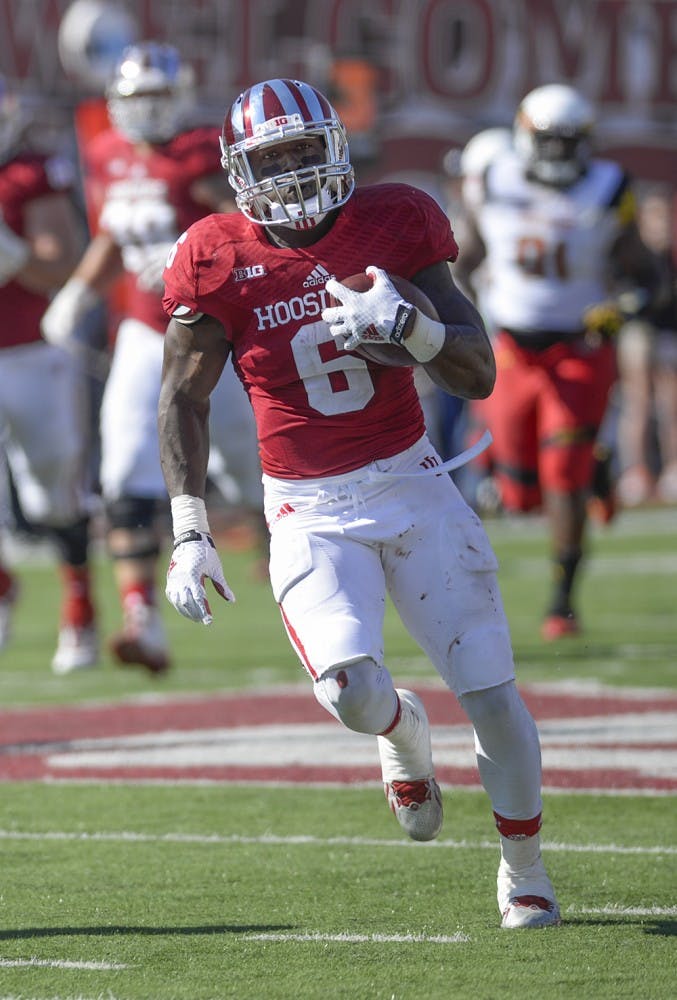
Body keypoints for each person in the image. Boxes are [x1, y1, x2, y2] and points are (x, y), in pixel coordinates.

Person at [157, 77, 561, 930]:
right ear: (239, 171)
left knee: (492, 694)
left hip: (411, 480)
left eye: (307, 149)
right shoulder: (215, 253)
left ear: (337, 146)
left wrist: (411, 329)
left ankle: (523, 869)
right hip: (306, 505)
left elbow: (477, 371)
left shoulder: (397, 219)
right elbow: (182, 396)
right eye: (276, 158)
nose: (297, 171)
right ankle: (404, 734)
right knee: (348, 692)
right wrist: (189, 528)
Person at [40, 41, 262, 675]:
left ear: (183, 96)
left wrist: (182, 259)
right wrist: (80, 292)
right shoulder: (106, 154)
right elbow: (113, 231)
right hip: (142, 335)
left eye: (161, 98)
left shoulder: (199, 153)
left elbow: (248, 230)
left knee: (256, 471)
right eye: (138, 99)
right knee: (125, 470)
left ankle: (297, 572)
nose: (149, 111)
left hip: (212, 335)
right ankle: (143, 619)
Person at [453, 83, 658, 641]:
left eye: (571, 143)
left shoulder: (609, 188)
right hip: (513, 351)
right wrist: (464, 314)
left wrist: (626, 306)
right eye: (550, 141)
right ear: (524, 136)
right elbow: (465, 258)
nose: (561, 154)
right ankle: (599, 465)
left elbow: (645, 271)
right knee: (520, 494)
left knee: (560, 477)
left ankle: (562, 602)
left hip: (579, 349)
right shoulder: (493, 178)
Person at [0, 74, 98, 672]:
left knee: (53, 493)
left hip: (33, 350)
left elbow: (59, 264)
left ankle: (80, 606)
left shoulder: (28, 173)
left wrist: (10, 254)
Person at [615, 188, 677, 506]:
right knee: (637, 400)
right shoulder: (636, 253)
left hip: (667, 330)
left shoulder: (668, 256)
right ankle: (635, 471)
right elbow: (624, 292)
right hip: (639, 330)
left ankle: (671, 468)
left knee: (671, 402)